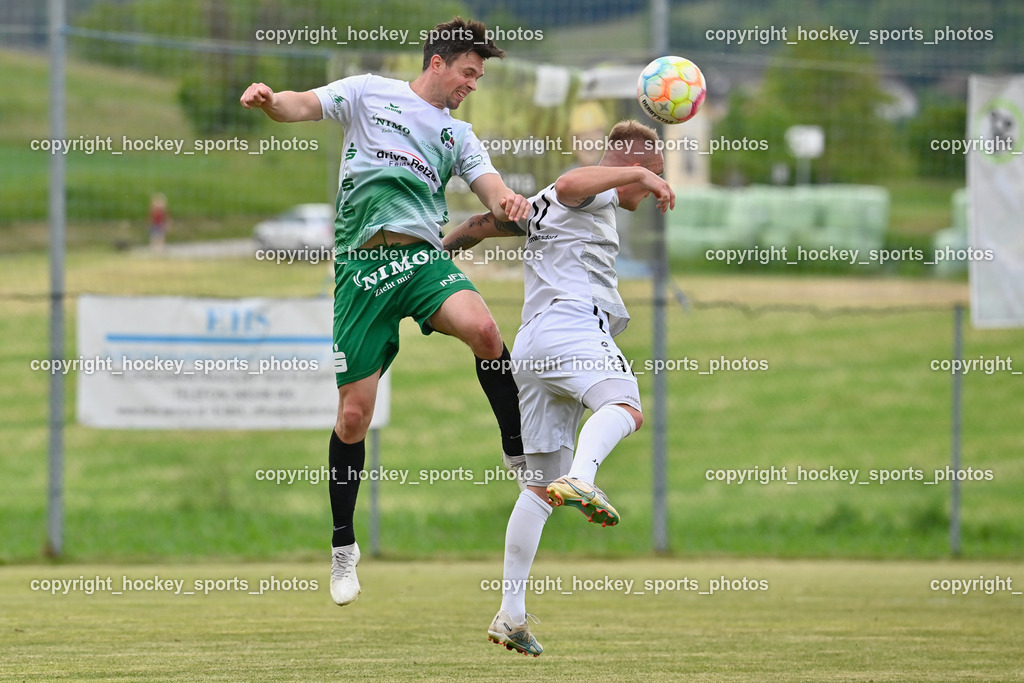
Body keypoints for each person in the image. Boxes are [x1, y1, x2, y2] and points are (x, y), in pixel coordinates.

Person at [240, 16, 530, 607]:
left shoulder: (458, 135)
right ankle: (343, 548)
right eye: (468, 72)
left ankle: (518, 450)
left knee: (485, 329)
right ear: (437, 63)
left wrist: (512, 202)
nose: (472, 84)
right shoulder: (369, 92)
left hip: (421, 261)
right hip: (360, 272)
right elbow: (300, 105)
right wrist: (270, 101)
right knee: (353, 417)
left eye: (478, 77)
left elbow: (494, 191)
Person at [442, 120, 675, 656]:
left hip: (533, 343)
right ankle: (584, 479)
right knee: (625, 406)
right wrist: (639, 173)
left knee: (538, 488)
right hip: (572, 326)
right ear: (632, 167)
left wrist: (436, 252)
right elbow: (573, 183)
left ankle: (511, 613)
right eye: (654, 174)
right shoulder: (593, 193)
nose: (655, 187)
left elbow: (482, 225)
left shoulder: (547, 205)